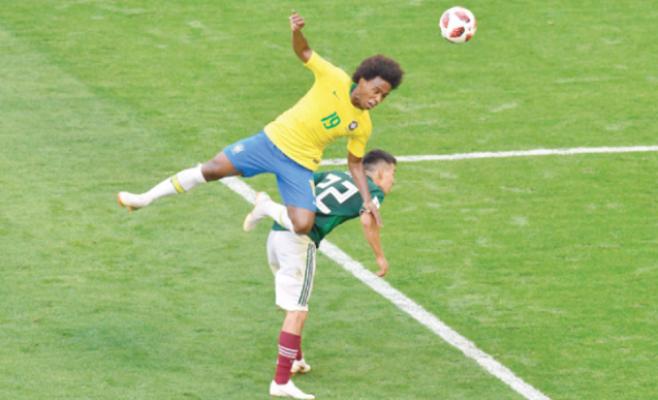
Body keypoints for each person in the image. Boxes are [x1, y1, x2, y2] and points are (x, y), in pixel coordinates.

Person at [117, 12, 403, 235]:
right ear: (362, 80)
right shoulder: (334, 78)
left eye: (384, 96)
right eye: (376, 90)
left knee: (303, 224)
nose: (377, 99)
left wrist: (367, 199)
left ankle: (265, 207)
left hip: (300, 165)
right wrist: (296, 32)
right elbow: (304, 52)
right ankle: (144, 198)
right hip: (269, 143)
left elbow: (355, 164)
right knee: (212, 169)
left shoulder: (362, 125)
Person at [244, 150, 397, 399]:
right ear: (379, 173)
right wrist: (380, 256)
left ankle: (296, 359)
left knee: (293, 305)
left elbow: (300, 186)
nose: (393, 181)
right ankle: (281, 381)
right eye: (392, 173)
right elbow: (367, 221)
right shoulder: (372, 192)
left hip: (277, 235)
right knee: (298, 310)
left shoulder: (335, 175)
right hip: (299, 243)